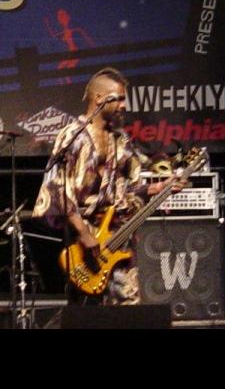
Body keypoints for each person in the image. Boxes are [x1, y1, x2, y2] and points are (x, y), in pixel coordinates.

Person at [32, 67, 185, 305]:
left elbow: (128, 189)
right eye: (119, 99)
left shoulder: (120, 139)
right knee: (87, 312)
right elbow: (57, 188)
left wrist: (160, 187)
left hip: (119, 234)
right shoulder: (73, 136)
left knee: (129, 304)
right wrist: (84, 233)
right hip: (85, 238)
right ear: (99, 98)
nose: (124, 105)